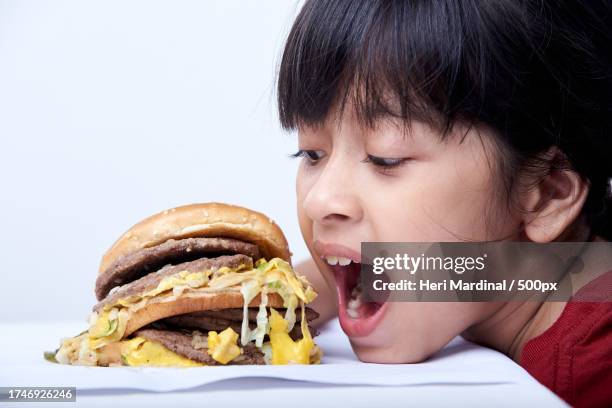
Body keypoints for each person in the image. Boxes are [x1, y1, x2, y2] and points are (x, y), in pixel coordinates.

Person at [276, 1, 612, 406]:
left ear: (545, 194)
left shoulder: (594, 370)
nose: (318, 201)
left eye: (386, 159)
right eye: (311, 154)